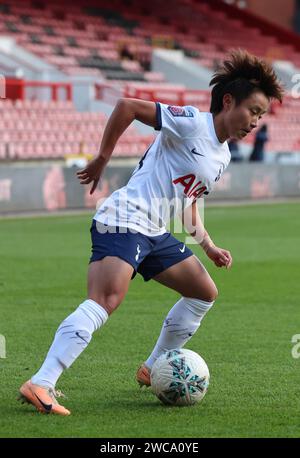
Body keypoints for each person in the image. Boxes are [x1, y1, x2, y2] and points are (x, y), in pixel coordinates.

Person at [18, 50, 283, 415]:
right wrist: (102, 158)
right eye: (253, 111)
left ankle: (153, 366)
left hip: (154, 230)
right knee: (106, 299)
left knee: (203, 292)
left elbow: (187, 201)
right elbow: (127, 106)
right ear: (228, 101)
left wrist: (207, 245)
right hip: (124, 219)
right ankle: (42, 382)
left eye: (261, 115)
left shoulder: (221, 156)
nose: (255, 122)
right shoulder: (191, 122)